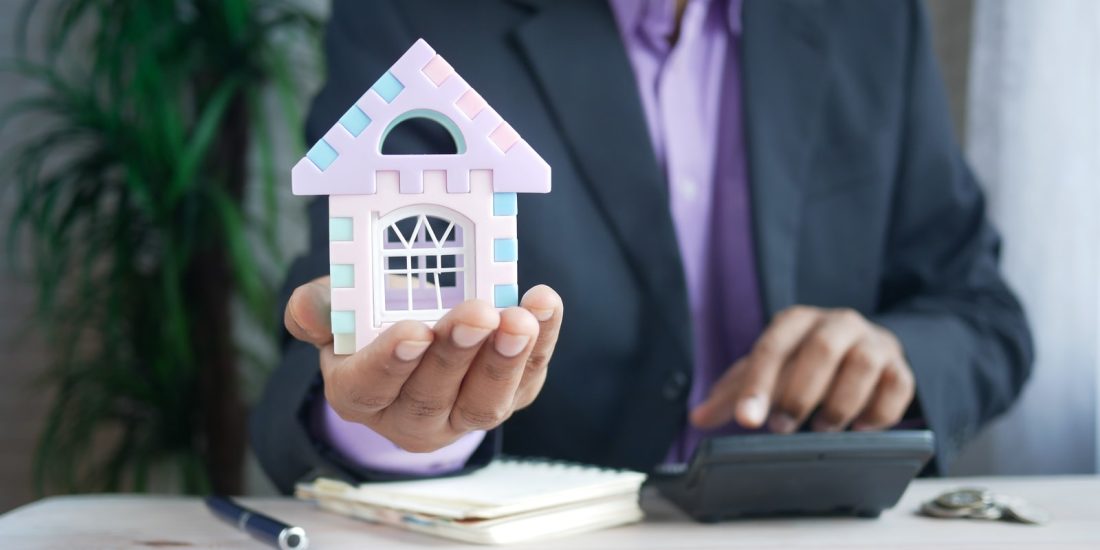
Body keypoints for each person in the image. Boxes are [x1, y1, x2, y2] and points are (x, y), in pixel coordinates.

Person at [251, 0, 1033, 493]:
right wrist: (399, 427)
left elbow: (981, 312)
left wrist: (894, 356)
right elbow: (333, 340)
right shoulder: (410, 18)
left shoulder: (870, 18)